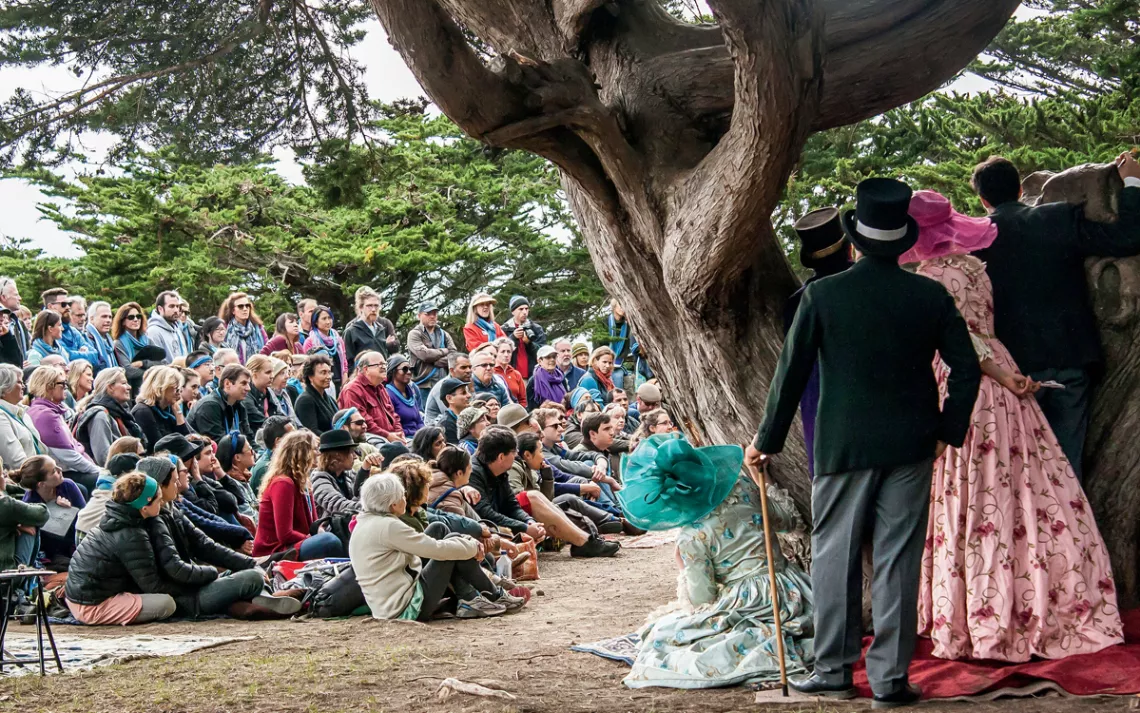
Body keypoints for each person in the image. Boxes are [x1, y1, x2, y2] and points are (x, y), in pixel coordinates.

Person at [748, 178, 981, 707]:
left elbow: (790, 374)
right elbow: (967, 370)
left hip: (841, 447)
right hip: (913, 443)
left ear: (854, 241)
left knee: (834, 555)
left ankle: (833, 670)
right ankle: (891, 681)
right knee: (899, 559)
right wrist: (949, 430)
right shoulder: (929, 294)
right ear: (900, 241)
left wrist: (766, 440)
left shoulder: (822, 295)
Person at [897, 189, 1124, 661]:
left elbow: (960, 344)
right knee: (1024, 486)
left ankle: (978, 611)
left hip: (963, 378)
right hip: (1001, 376)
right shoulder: (975, 268)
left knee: (968, 491)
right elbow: (983, 332)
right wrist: (1002, 372)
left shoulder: (930, 279)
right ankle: (1034, 596)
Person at [971, 153, 1140, 480]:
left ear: (982, 200)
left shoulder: (973, 242)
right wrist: (1132, 182)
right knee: (1065, 473)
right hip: (1069, 361)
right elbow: (1127, 237)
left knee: (1019, 477)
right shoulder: (1058, 219)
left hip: (1010, 375)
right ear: (1020, 189)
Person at [619, 434, 815, 688]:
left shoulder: (691, 537)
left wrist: (682, 568)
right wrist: (761, 480)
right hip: (793, 590)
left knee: (662, 634)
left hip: (746, 601)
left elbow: (703, 598)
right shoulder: (744, 489)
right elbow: (789, 520)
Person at [143, 454, 298, 619]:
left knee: (250, 572)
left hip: (193, 584)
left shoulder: (170, 509)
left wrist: (249, 562)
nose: (180, 484)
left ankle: (264, 599)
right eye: (174, 481)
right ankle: (263, 600)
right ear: (159, 486)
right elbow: (176, 569)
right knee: (251, 578)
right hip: (187, 597)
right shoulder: (154, 521)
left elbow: (205, 544)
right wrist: (212, 573)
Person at [351, 473, 523, 621]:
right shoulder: (388, 526)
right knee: (449, 552)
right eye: (402, 495)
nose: (405, 498)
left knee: (439, 529)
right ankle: (488, 595)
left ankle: (473, 598)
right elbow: (437, 550)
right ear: (393, 505)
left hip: (389, 604)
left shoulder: (366, 522)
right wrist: (473, 547)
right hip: (406, 609)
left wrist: (467, 543)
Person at [779, 208, 854, 478]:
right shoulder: (873, 285)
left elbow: (792, 368)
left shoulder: (798, 303)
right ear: (849, 248)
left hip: (823, 416)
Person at [63, 472, 178, 625]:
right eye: (158, 499)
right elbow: (152, 585)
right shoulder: (130, 533)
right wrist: (190, 590)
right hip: (92, 606)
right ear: (144, 507)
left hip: (84, 595)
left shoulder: (118, 519)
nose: (162, 502)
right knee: (166, 604)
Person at [508, 432, 622, 553]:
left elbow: (546, 498)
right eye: (540, 452)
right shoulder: (515, 468)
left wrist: (547, 478)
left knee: (569, 497)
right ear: (527, 455)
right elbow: (519, 502)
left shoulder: (531, 468)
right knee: (567, 500)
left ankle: (602, 527)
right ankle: (591, 536)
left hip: (532, 513)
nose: (543, 457)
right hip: (523, 518)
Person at [253, 430, 345, 560]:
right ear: (302, 452)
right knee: (329, 541)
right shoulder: (283, 483)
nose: (318, 453)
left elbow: (313, 525)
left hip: (298, 543)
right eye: (314, 449)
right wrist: (313, 537)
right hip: (276, 550)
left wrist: (318, 532)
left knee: (342, 531)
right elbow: (284, 535)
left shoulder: (304, 482)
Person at [27, 365, 102, 492]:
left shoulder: (49, 410)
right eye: (62, 384)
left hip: (70, 468)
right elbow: (68, 456)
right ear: (48, 387)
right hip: (62, 472)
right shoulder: (46, 415)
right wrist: (99, 471)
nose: (66, 388)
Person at [467, 426, 546, 542]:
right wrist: (524, 528)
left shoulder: (500, 470)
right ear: (501, 457)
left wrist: (529, 521)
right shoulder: (473, 473)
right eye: (513, 452)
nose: (515, 456)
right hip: (481, 530)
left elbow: (511, 505)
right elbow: (485, 514)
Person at [18, 455, 86, 569]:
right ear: (41, 484)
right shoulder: (30, 504)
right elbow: (46, 542)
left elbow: (85, 520)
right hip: (51, 555)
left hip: (76, 544)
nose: (60, 470)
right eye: (54, 471)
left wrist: (72, 512)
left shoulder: (68, 485)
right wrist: (61, 513)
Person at [312, 429, 383, 518]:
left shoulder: (346, 473)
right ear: (338, 455)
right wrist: (375, 508)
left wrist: (366, 467)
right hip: (332, 528)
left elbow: (359, 494)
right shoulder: (318, 479)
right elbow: (338, 505)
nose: (355, 456)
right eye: (351, 452)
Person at [337, 350, 403, 442]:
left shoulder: (381, 388)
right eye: (378, 364)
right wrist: (387, 435)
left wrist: (399, 433)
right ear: (365, 369)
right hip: (367, 439)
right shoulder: (352, 390)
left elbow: (393, 415)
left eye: (384, 364)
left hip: (389, 437)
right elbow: (362, 423)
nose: (383, 367)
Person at [76, 452, 141, 539]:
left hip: (80, 528)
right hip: (91, 534)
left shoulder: (104, 485)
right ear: (125, 474)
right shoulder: (119, 492)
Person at [187, 364, 253, 441]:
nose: (248, 388)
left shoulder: (239, 405)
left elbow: (249, 437)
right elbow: (218, 443)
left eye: (249, 384)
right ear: (227, 383)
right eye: (244, 383)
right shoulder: (209, 406)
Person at [131, 366, 190, 451]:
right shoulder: (143, 411)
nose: (178, 394)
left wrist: (179, 416)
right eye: (175, 389)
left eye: (179, 389)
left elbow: (187, 440)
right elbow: (158, 446)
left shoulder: (170, 409)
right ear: (161, 388)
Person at [406, 300, 455, 400]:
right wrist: (444, 351)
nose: (432, 316)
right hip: (423, 385)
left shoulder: (444, 334)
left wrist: (436, 361)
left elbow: (454, 356)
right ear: (419, 316)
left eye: (434, 313)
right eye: (428, 314)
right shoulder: (414, 334)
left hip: (444, 384)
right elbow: (425, 355)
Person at [0, 363, 44, 469]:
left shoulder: (22, 411)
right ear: (6, 387)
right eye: (19, 382)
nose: (24, 386)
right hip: (26, 479)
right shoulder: (1, 417)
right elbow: (16, 461)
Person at [41, 288, 98, 368]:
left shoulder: (73, 331)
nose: (68, 307)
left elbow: (95, 355)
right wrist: (81, 353)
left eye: (69, 304)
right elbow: (65, 356)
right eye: (63, 304)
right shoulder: (47, 331)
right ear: (50, 306)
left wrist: (74, 354)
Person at [344, 286, 400, 364]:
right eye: (369, 306)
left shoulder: (381, 328)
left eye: (376, 306)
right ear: (361, 307)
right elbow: (348, 362)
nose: (373, 309)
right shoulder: (351, 331)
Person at [301, 305, 348, 392]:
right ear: (316, 322)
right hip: (321, 385)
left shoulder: (338, 339)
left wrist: (345, 380)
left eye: (329, 318)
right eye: (324, 319)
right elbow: (307, 366)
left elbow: (344, 362)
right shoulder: (310, 341)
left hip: (340, 381)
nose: (328, 321)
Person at [214, 433, 259, 521]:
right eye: (249, 449)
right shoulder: (234, 485)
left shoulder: (242, 477)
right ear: (237, 457)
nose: (253, 452)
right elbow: (253, 519)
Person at [502, 295, 547, 379]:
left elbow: (544, 353)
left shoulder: (536, 329)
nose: (525, 312)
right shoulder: (504, 329)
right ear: (513, 311)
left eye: (526, 309)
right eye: (521, 309)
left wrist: (529, 343)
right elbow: (500, 353)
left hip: (534, 376)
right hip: (511, 376)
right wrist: (513, 338)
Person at [112, 302, 164, 372]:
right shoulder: (119, 344)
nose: (136, 319)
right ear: (122, 321)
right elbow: (128, 371)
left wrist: (143, 363)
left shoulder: (148, 341)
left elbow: (161, 363)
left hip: (152, 381)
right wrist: (151, 371)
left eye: (138, 316)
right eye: (131, 317)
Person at [219, 292, 268, 363]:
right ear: (233, 311)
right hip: (233, 371)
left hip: (256, 370)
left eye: (247, 305)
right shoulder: (225, 329)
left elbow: (267, 350)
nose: (245, 309)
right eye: (240, 306)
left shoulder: (258, 329)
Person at [295, 354, 339, 434]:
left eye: (329, 372)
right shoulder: (305, 400)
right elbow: (312, 431)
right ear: (310, 377)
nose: (328, 377)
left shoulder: (330, 399)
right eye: (323, 373)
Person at [424, 352, 472, 423]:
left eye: (470, 367)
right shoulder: (442, 387)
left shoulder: (462, 385)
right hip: (436, 428)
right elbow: (451, 415)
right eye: (463, 367)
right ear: (452, 370)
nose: (469, 370)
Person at [250, 415, 294, 492]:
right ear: (278, 442)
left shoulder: (289, 461)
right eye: (293, 437)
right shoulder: (264, 469)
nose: (299, 439)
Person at [147, 291, 193, 363]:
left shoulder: (177, 329)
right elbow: (156, 364)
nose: (176, 310)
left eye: (177, 306)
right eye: (171, 306)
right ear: (160, 309)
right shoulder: (153, 332)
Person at [385, 353, 424, 437]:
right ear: (393, 371)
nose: (409, 372)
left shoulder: (412, 393)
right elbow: (391, 425)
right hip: (403, 438)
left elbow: (419, 421)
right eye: (405, 369)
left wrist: (423, 435)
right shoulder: (388, 395)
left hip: (417, 437)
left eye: (411, 369)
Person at [241, 355, 277, 437]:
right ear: (254, 374)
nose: (272, 376)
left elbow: (278, 414)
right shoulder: (245, 394)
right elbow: (259, 419)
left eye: (272, 372)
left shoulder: (268, 391)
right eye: (268, 372)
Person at [527, 345, 567, 410]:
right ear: (540, 361)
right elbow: (532, 409)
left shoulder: (560, 376)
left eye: (554, 357)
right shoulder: (533, 381)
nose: (552, 360)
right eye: (548, 357)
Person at [0, 277, 30, 364]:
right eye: (16, 295)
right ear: (3, 297)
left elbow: (21, 357)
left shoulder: (19, 323)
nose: (20, 298)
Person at [492, 338, 527, 407]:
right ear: (496, 353)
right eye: (503, 352)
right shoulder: (491, 373)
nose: (506, 355)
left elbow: (523, 399)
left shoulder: (516, 374)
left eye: (509, 352)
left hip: (516, 412)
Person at [436, 377, 472, 445]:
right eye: (463, 393)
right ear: (449, 398)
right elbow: (454, 452)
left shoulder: (467, 416)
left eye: (468, 391)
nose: (469, 395)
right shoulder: (446, 424)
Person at [84, 300, 116, 373]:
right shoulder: (86, 340)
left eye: (110, 317)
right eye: (104, 316)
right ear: (92, 319)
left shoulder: (110, 342)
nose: (108, 320)